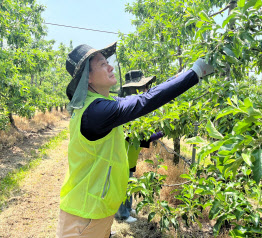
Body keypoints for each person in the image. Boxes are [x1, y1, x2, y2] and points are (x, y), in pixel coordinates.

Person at [56, 42, 214, 238]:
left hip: (95, 211)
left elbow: (147, 96)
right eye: (103, 64)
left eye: (108, 62)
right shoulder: (95, 112)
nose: (111, 67)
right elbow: (144, 100)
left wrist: (182, 76)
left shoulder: (102, 104)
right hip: (84, 216)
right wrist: (195, 73)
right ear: (87, 76)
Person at [114, 70, 164, 223]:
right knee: (123, 184)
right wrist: (157, 135)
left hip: (130, 156)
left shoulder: (133, 107)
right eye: (143, 87)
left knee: (129, 182)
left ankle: (127, 208)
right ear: (133, 89)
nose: (146, 89)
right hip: (123, 156)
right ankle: (122, 214)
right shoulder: (126, 108)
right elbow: (132, 136)